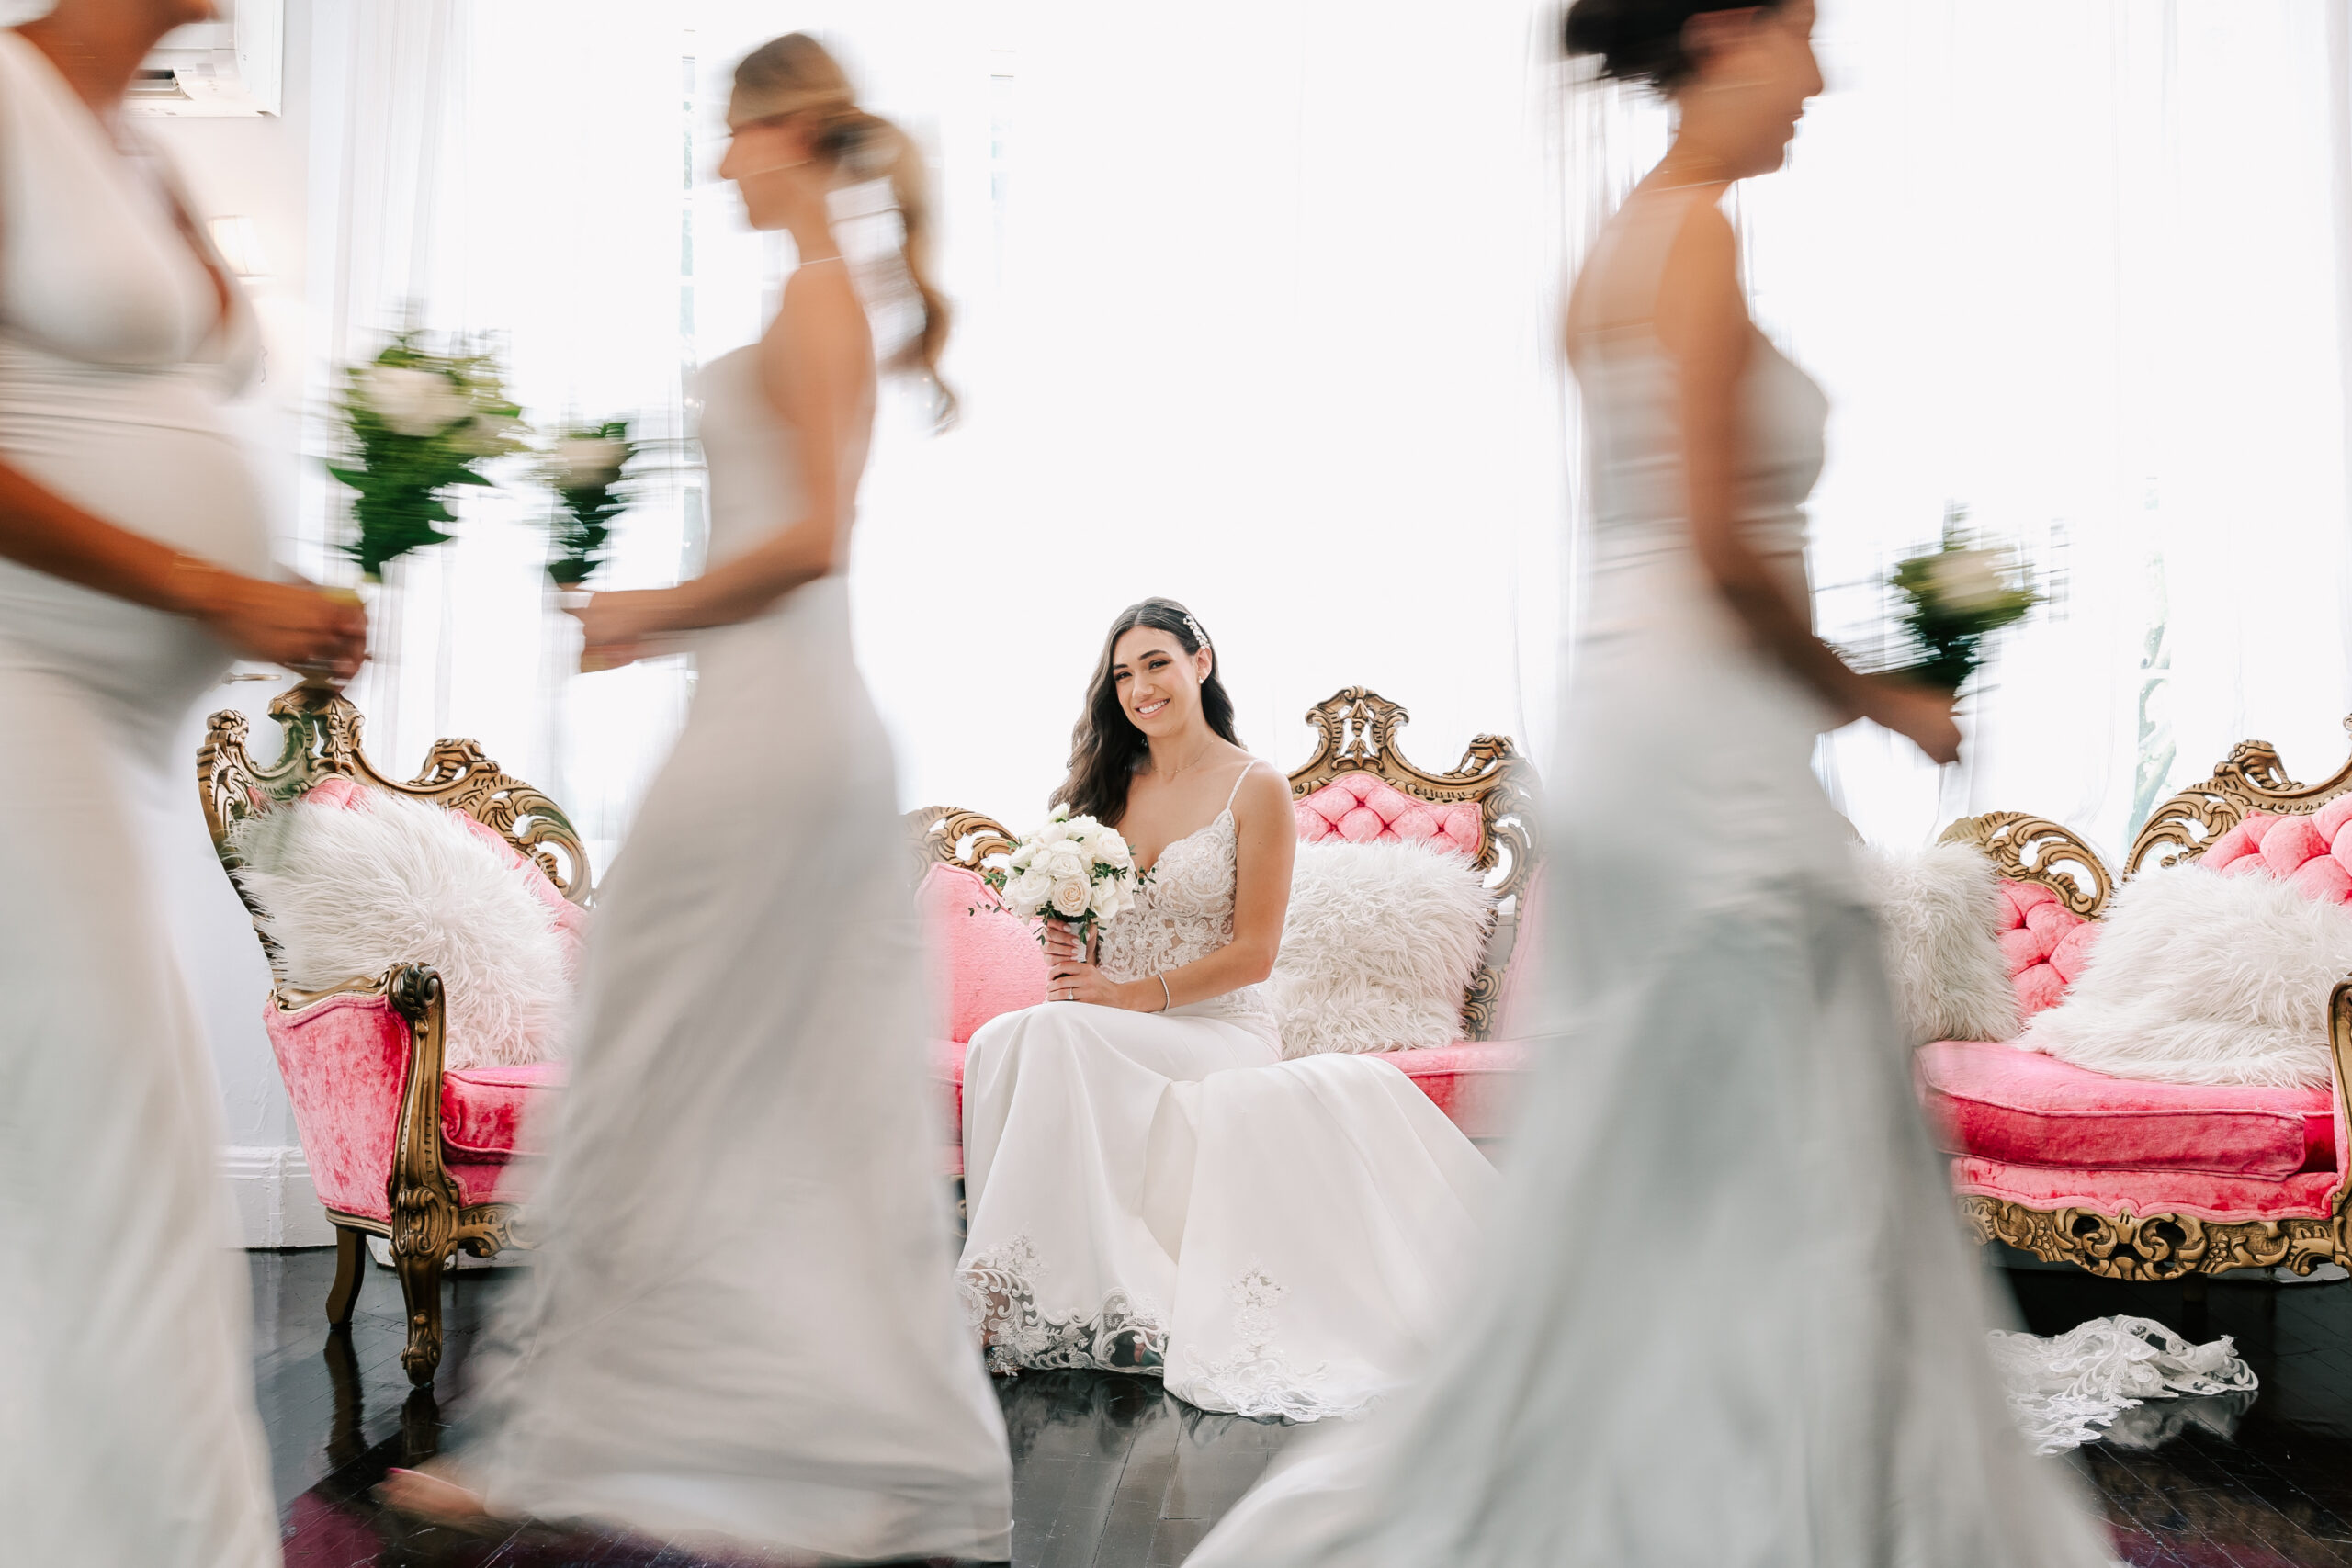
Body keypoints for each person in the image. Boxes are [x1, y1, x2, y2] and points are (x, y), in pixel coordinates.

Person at [1187, 3, 2117, 1562]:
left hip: (1650, 716)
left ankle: (1716, 1472)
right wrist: (1882, 695)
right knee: (1790, 1099)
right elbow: (1718, 542)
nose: (1820, 77)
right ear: (1722, 28)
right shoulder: (1685, 242)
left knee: (1700, 1123)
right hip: (1698, 737)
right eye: (1804, 35)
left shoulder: (1623, 249)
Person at [377, 34, 1013, 1562]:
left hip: (778, 730)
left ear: (786, 130)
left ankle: (566, 1438)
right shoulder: (817, 297)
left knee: (657, 1058)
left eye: (727, 136)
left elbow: (812, 547)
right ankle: (641, 1431)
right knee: (709, 1078)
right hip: (774, 721)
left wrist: (638, 614)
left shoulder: (811, 300)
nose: (714, 163)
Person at [0, 2, 371, 1563]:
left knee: (107, 1166)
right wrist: (207, 590)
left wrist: (262, 591)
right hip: (22, 693)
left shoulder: (139, 140)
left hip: (117, 733)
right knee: (119, 1163)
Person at [956, 597, 1496, 1421]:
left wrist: (1128, 995)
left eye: (1157, 664)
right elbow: (1092, 938)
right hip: (1117, 1023)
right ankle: (1043, 1286)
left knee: (1053, 1036)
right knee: (1003, 1037)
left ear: (1200, 662)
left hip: (1219, 1032)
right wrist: (1071, 949)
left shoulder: (1257, 787)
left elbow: (1256, 953)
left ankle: (1024, 1299)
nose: (1140, 687)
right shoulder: (1104, 788)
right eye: (1124, 673)